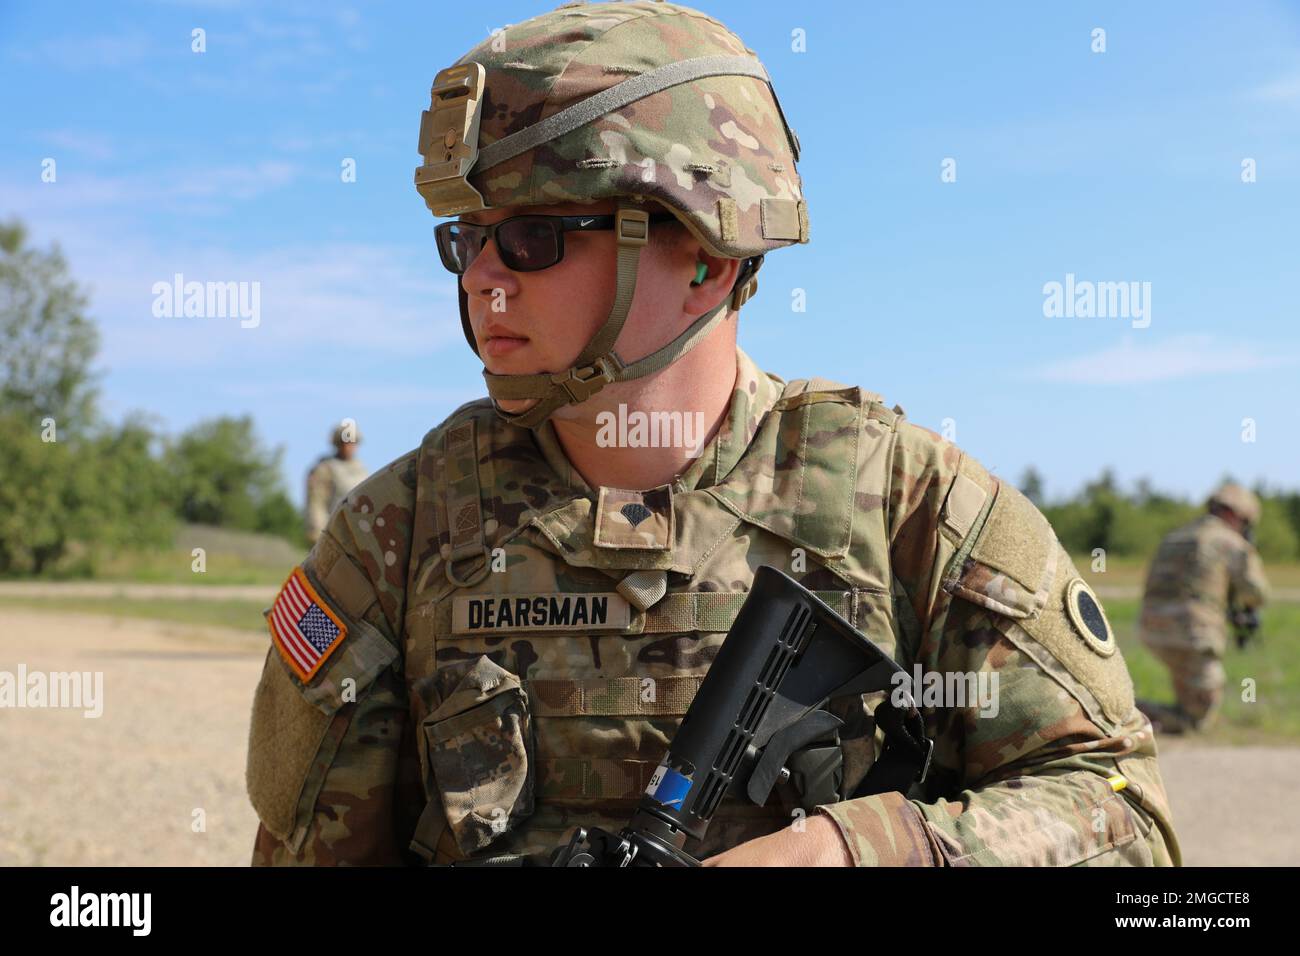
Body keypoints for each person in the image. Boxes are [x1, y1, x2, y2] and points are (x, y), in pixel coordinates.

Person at [245, 0, 1179, 866]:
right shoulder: (399, 532)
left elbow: (1123, 813)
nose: (483, 277)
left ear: (705, 258)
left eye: (532, 237)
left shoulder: (912, 506)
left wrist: (857, 851)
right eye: (467, 238)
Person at [1136, 482, 1270, 734]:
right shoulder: (1229, 541)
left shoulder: (1176, 536)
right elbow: (1257, 593)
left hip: (1151, 630)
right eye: (1245, 523)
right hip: (1193, 634)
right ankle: (1126, 716)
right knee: (1197, 720)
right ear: (1233, 514)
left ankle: (1128, 715)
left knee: (1189, 700)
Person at [304, 422, 369, 545]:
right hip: (333, 535)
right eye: (345, 441)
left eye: (352, 442)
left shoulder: (361, 469)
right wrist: (319, 534)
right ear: (337, 443)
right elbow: (316, 504)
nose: (349, 446)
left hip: (358, 534)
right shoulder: (325, 468)